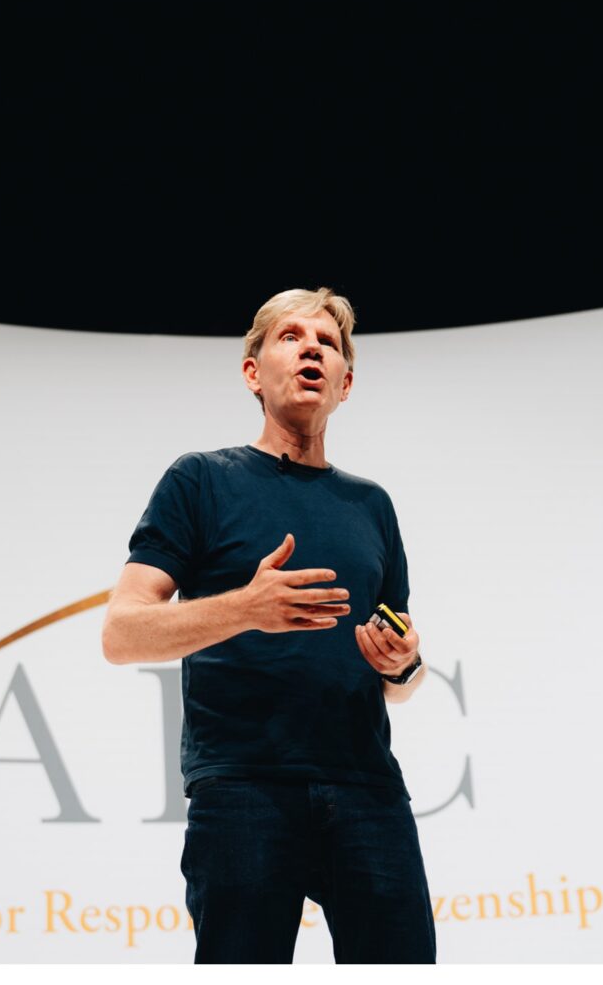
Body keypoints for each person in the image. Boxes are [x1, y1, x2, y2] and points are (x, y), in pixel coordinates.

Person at [101, 287, 437, 963]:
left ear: (346, 381)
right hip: (244, 787)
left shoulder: (372, 505)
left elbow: (401, 678)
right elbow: (122, 632)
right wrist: (245, 607)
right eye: (290, 335)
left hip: (367, 787)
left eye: (330, 342)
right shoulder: (201, 480)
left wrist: (399, 662)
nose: (313, 346)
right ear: (253, 371)